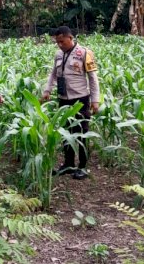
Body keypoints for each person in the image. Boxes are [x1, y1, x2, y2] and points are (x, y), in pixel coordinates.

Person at [41, 26, 100, 180]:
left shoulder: (85, 53)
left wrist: (95, 101)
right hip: (63, 99)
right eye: (57, 42)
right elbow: (53, 74)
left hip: (80, 99)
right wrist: (47, 90)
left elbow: (93, 78)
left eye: (62, 41)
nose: (60, 44)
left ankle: (82, 166)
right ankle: (68, 163)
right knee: (66, 132)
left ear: (70, 38)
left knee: (81, 132)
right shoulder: (58, 55)